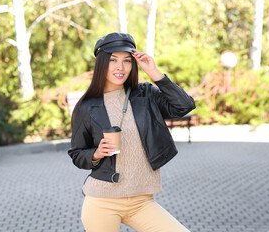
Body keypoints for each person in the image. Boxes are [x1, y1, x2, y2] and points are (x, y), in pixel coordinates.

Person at [68, 32, 195, 232]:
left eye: (127, 61)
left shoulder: (146, 95)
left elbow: (184, 106)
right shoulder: (87, 107)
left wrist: (155, 73)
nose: (120, 67)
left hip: (142, 202)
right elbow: (76, 154)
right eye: (113, 60)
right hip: (102, 202)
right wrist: (96, 153)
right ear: (102, 64)